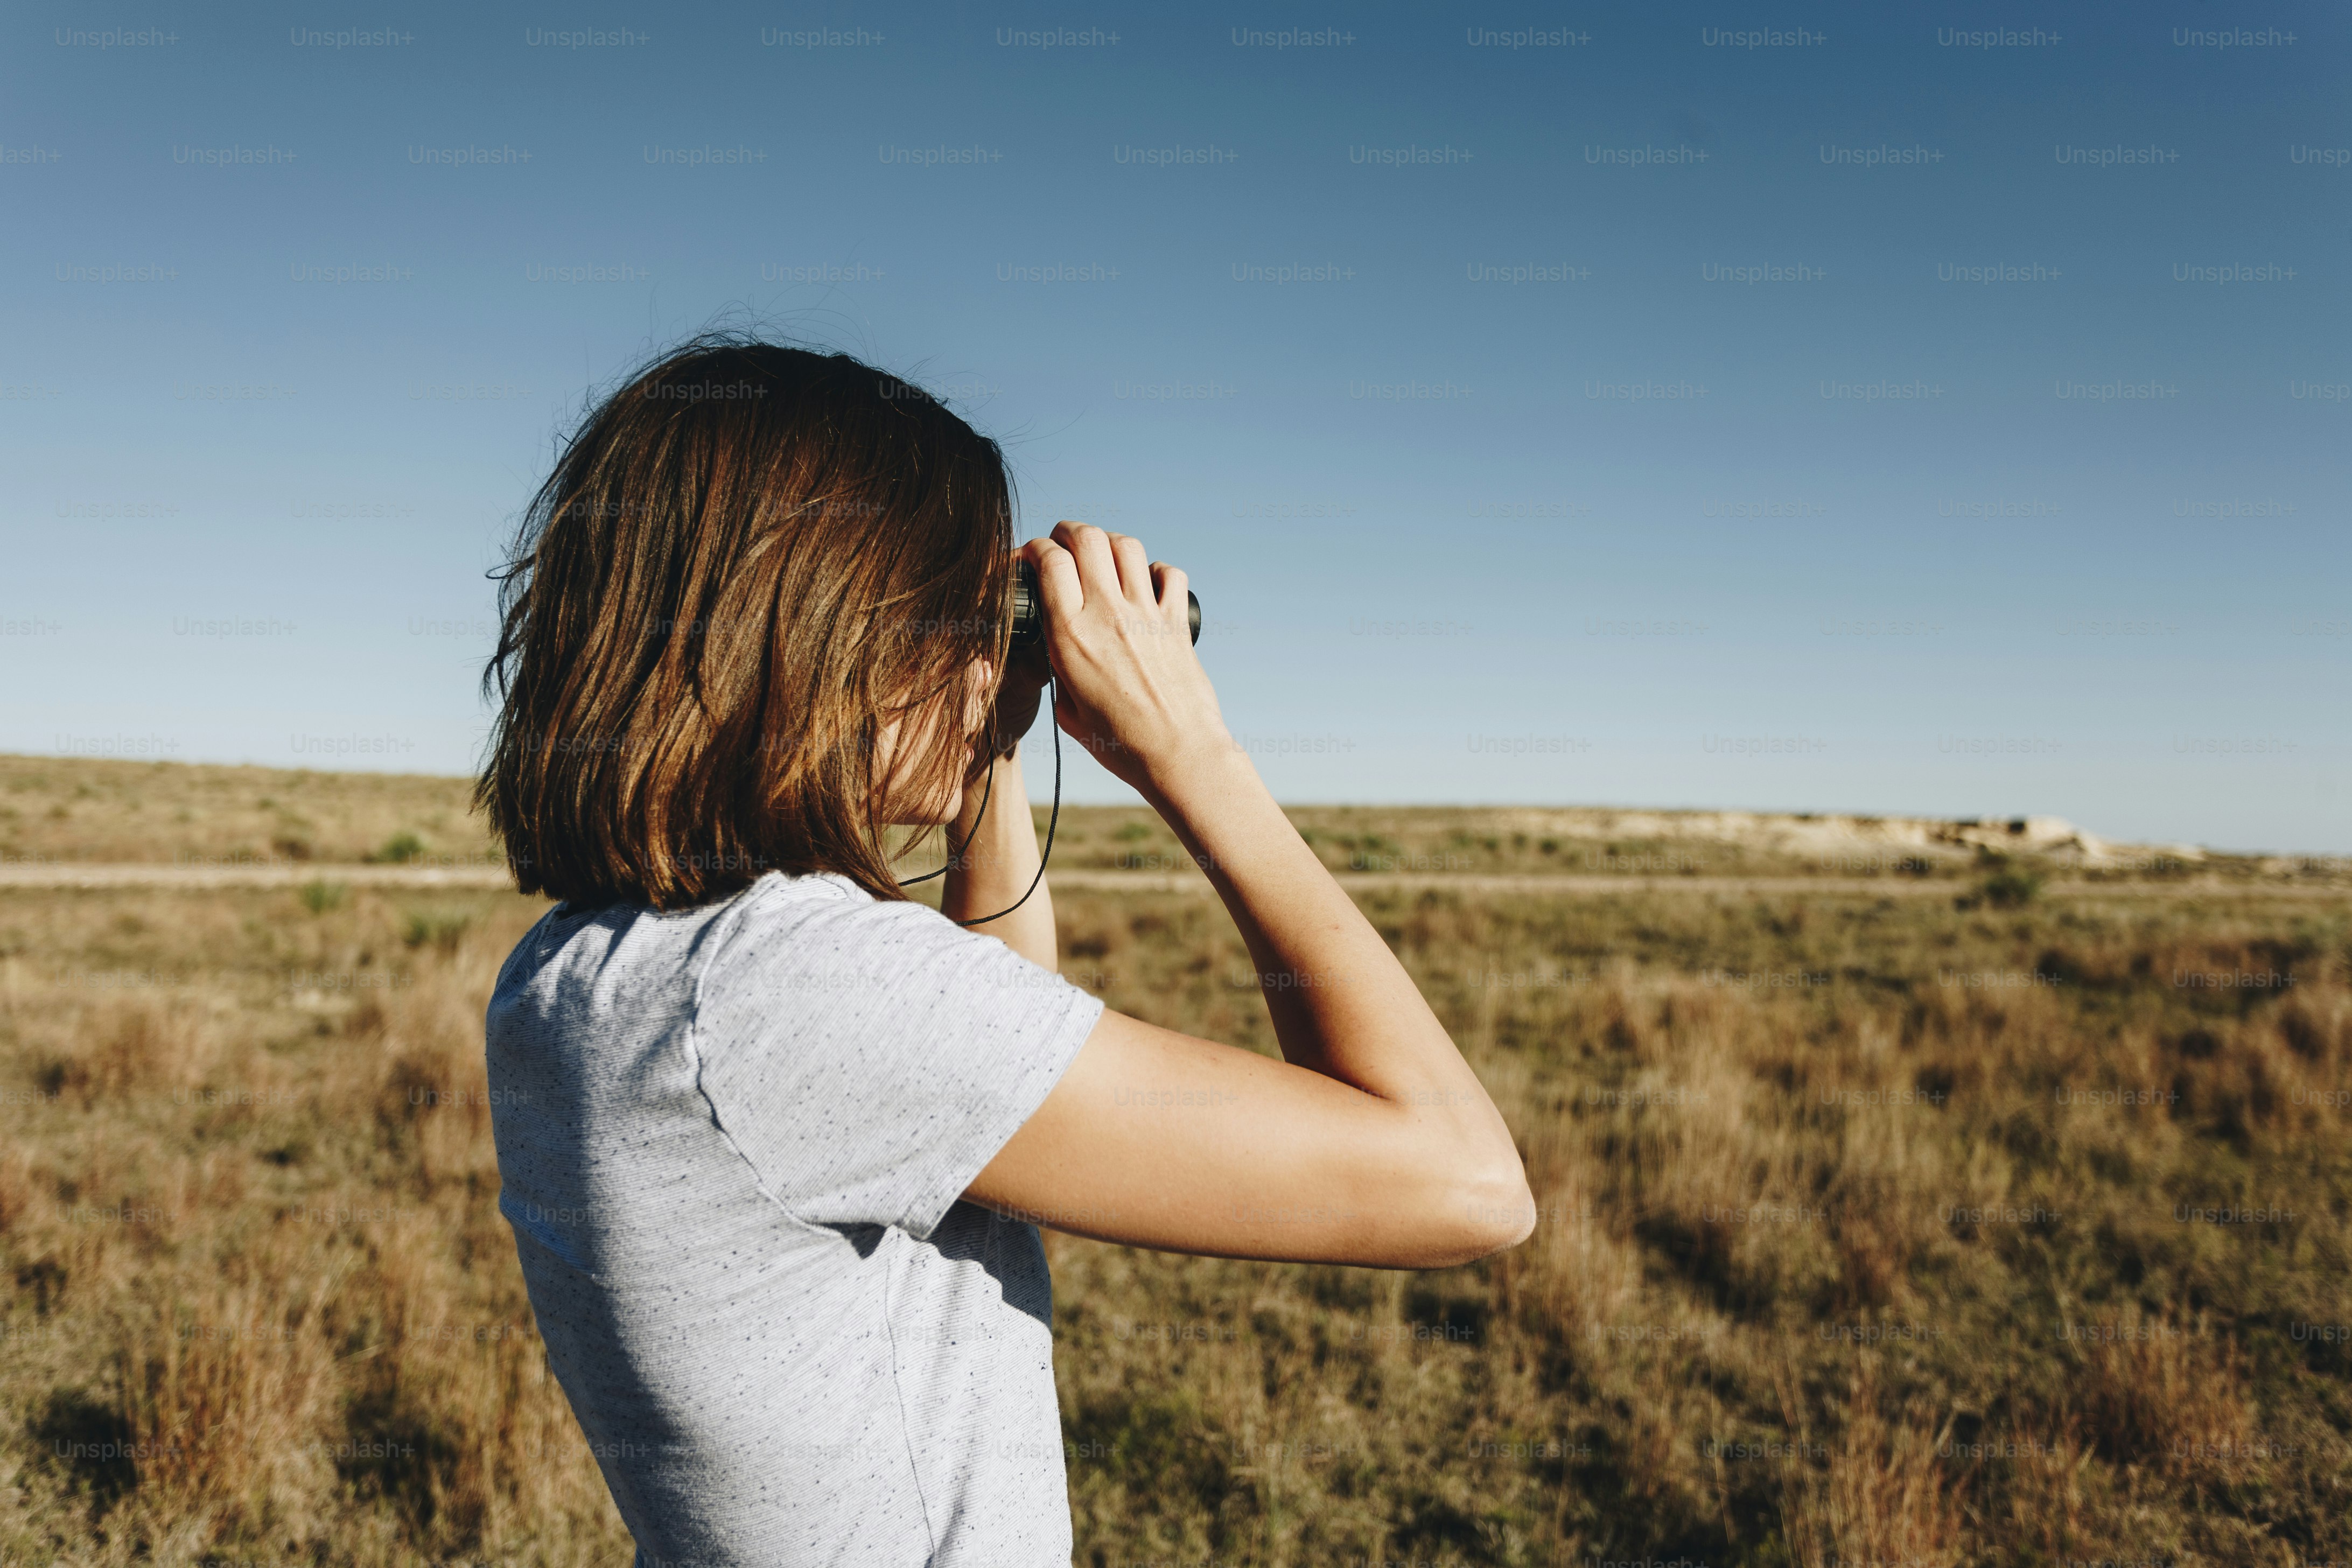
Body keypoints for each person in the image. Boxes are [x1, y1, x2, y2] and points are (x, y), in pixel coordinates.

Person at [475, 335, 1534, 1567]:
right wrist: (1193, 756)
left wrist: (983, 750)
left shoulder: (579, 973)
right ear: (817, 623)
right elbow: (1466, 1185)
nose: (984, 657)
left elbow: (989, 1079)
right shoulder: (796, 992)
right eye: (945, 614)